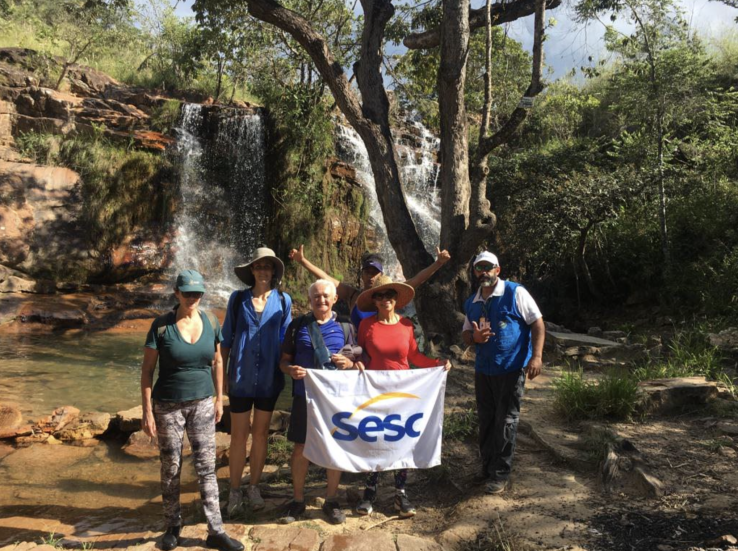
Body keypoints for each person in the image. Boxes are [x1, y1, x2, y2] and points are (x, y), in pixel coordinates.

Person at [140, 270, 243, 551]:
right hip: (167, 405)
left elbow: (218, 361)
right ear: (176, 293)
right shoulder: (161, 326)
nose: (193, 298)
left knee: (206, 468)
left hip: (202, 403)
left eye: (197, 293)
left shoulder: (210, 321)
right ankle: (173, 526)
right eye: (187, 293)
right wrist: (147, 411)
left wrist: (219, 398)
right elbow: (148, 371)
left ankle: (215, 530)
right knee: (171, 467)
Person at [354, 275, 452, 518]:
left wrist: (437, 363)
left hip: (402, 392)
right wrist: (357, 363)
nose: (385, 299)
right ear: (374, 301)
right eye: (379, 295)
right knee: (375, 437)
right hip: (374, 391)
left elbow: (414, 357)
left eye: (390, 295)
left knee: (401, 438)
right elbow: (360, 354)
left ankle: (400, 493)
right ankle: (370, 493)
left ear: (396, 299)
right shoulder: (367, 326)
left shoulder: (407, 325)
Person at [278, 279, 363, 525]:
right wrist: (290, 370)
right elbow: (283, 361)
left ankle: (332, 500)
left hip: (335, 398)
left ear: (335, 299)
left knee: (334, 446)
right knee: (300, 448)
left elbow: (358, 359)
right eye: (316, 296)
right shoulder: (297, 326)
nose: (321, 300)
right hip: (304, 396)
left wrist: (348, 364)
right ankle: (297, 500)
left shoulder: (346, 326)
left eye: (326, 296)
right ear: (310, 300)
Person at [461, 251, 545, 494]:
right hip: (483, 371)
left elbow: (537, 323)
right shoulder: (472, 302)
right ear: (475, 272)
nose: (484, 272)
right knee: (486, 420)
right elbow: (466, 334)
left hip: (510, 369)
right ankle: (486, 468)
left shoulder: (515, 292)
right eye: (479, 268)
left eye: (489, 267)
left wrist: (537, 357)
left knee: (506, 421)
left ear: (498, 269)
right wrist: (473, 338)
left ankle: (501, 473)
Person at [221, 248, 292, 516]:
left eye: (268, 266)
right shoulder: (238, 299)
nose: (263, 270)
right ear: (251, 270)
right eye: (258, 266)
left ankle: (254, 486)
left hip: (269, 379)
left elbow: (287, 341)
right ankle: (235, 490)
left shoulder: (284, 301)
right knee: (239, 435)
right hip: (240, 377)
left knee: (260, 434)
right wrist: (224, 375)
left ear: (274, 271)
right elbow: (226, 340)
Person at [288, 245, 451, 329]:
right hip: (356, 351)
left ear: (381, 275)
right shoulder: (352, 295)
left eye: (375, 273)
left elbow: (416, 280)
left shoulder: (390, 295)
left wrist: (438, 263)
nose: (371, 276)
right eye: (368, 272)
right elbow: (326, 278)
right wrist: (302, 261)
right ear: (362, 274)